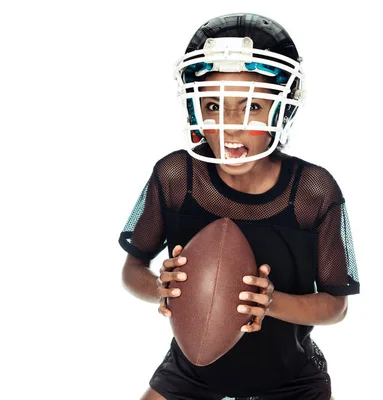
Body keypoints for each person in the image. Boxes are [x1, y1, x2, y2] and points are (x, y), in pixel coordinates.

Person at [118, 12, 360, 400]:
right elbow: (132, 269)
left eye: (252, 106)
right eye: (213, 106)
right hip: (191, 373)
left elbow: (336, 307)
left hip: (290, 381)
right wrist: (158, 287)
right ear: (195, 109)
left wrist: (268, 301)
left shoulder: (313, 191)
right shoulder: (176, 177)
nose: (231, 125)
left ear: (280, 109)